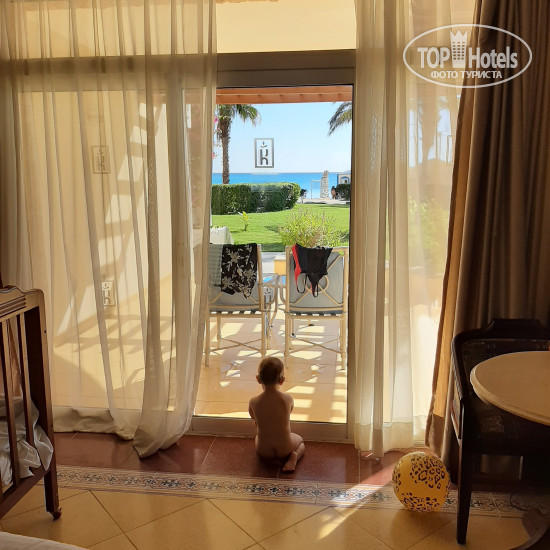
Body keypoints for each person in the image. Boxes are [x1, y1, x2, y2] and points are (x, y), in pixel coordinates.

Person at [248, 357, 305, 472]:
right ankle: (294, 457)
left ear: (258, 379)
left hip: (264, 450)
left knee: (257, 437)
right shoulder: (287, 399)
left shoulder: (254, 402)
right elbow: (288, 413)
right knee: (300, 442)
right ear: (282, 380)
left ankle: (271, 461)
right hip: (285, 448)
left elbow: (254, 419)